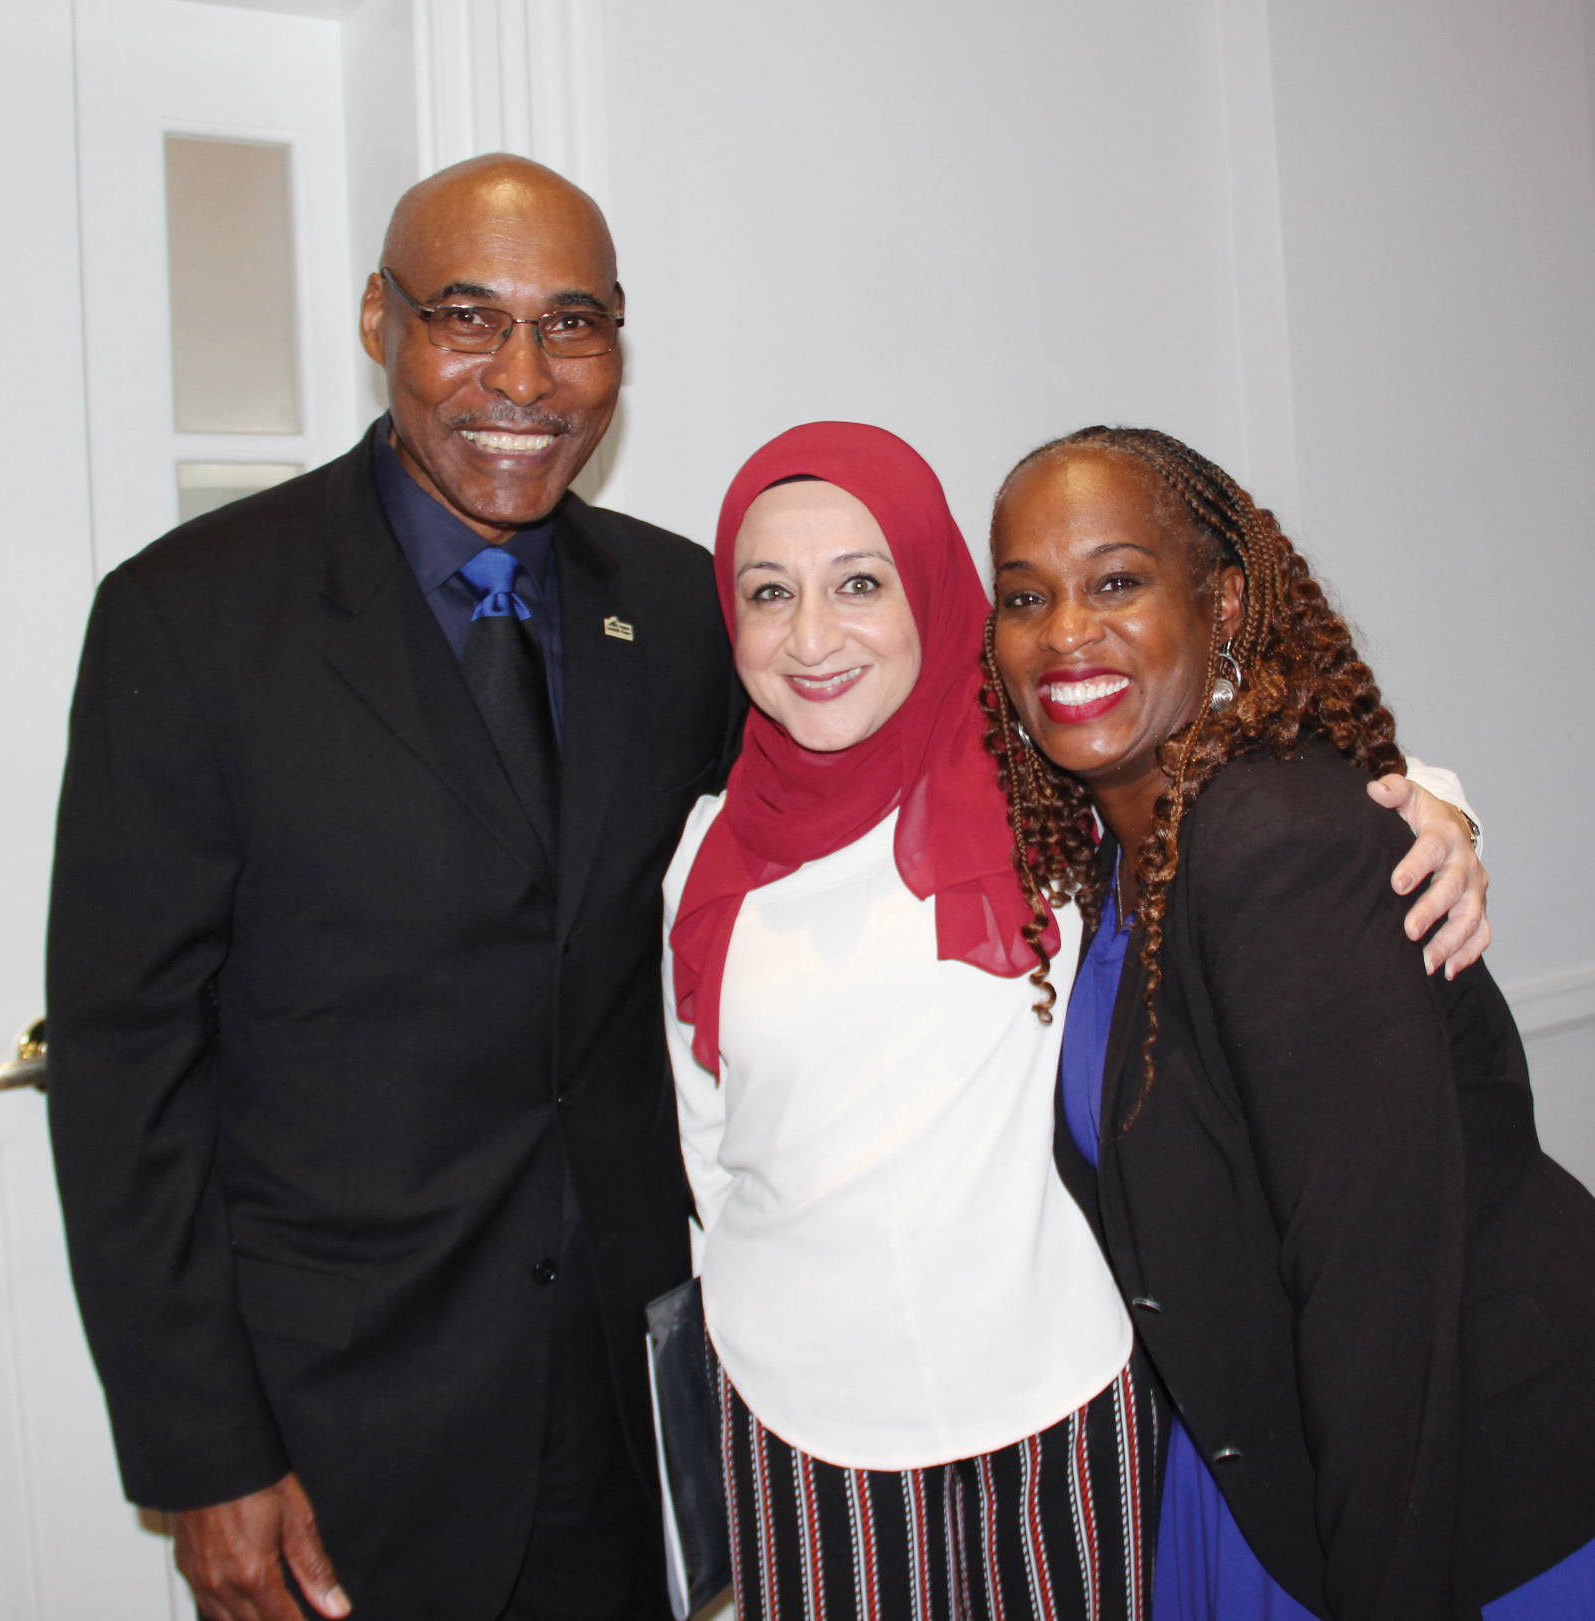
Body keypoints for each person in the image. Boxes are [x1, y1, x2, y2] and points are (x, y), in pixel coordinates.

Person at [46, 154, 743, 1621]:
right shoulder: (188, 621)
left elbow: (850, 807)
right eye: (467, 317)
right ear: (379, 320)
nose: (526, 378)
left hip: (623, 1410)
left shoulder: (678, 611)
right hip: (334, 1439)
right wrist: (203, 1452)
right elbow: (128, 1070)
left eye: (574, 323)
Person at [662, 421, 1488, 1621]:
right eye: (766, 592)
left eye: (858, 583)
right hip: (799, 1421)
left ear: (935, 591)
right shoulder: (701, 862)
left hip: (1065, 1398)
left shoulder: (1043, 787)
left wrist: (1442, 811)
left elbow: (1258, 775)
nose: (811, 635)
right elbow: (708, 1153)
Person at [982, 424, 1595, 1619]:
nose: (1064, 631)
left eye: (1116, 581)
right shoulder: (1121, 856)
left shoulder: (1271, 838)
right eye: (1023, 596)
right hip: (1267, 1474)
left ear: (1220, 600)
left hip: (1460, 1500)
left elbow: (1377, 1296)